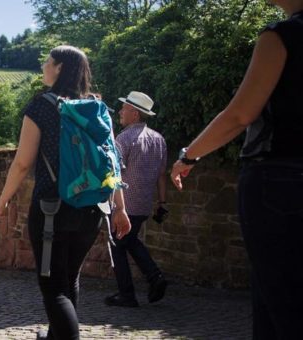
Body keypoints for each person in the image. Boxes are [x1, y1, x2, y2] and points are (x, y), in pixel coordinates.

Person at [170, 2, 303, 338]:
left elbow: (239, 115)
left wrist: (189, 156)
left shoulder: (281, 36)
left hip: (279, 179)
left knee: (280, 304)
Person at [0, 45, 131, 340]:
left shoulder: (41, 106)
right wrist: (120, 207)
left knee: (53, 288)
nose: (43, 67)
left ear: (60, 68)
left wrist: (1, 201)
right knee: (68, 278)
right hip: (93, 208)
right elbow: (112, 163)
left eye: (47, 62)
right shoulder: (96, 107)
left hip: (52, 207)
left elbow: (22, 163)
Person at [104, 91, 168, 308]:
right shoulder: (159, 140)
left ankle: (128, 293)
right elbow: (161, 175)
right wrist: (162, 203)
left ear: (135, 113)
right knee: (129, 241)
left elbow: (113, 173)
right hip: (143, 204)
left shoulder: (123, 139)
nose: (120, 111)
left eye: (125, 108)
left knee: (118, 245)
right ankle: (154, 278)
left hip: (124, 204)